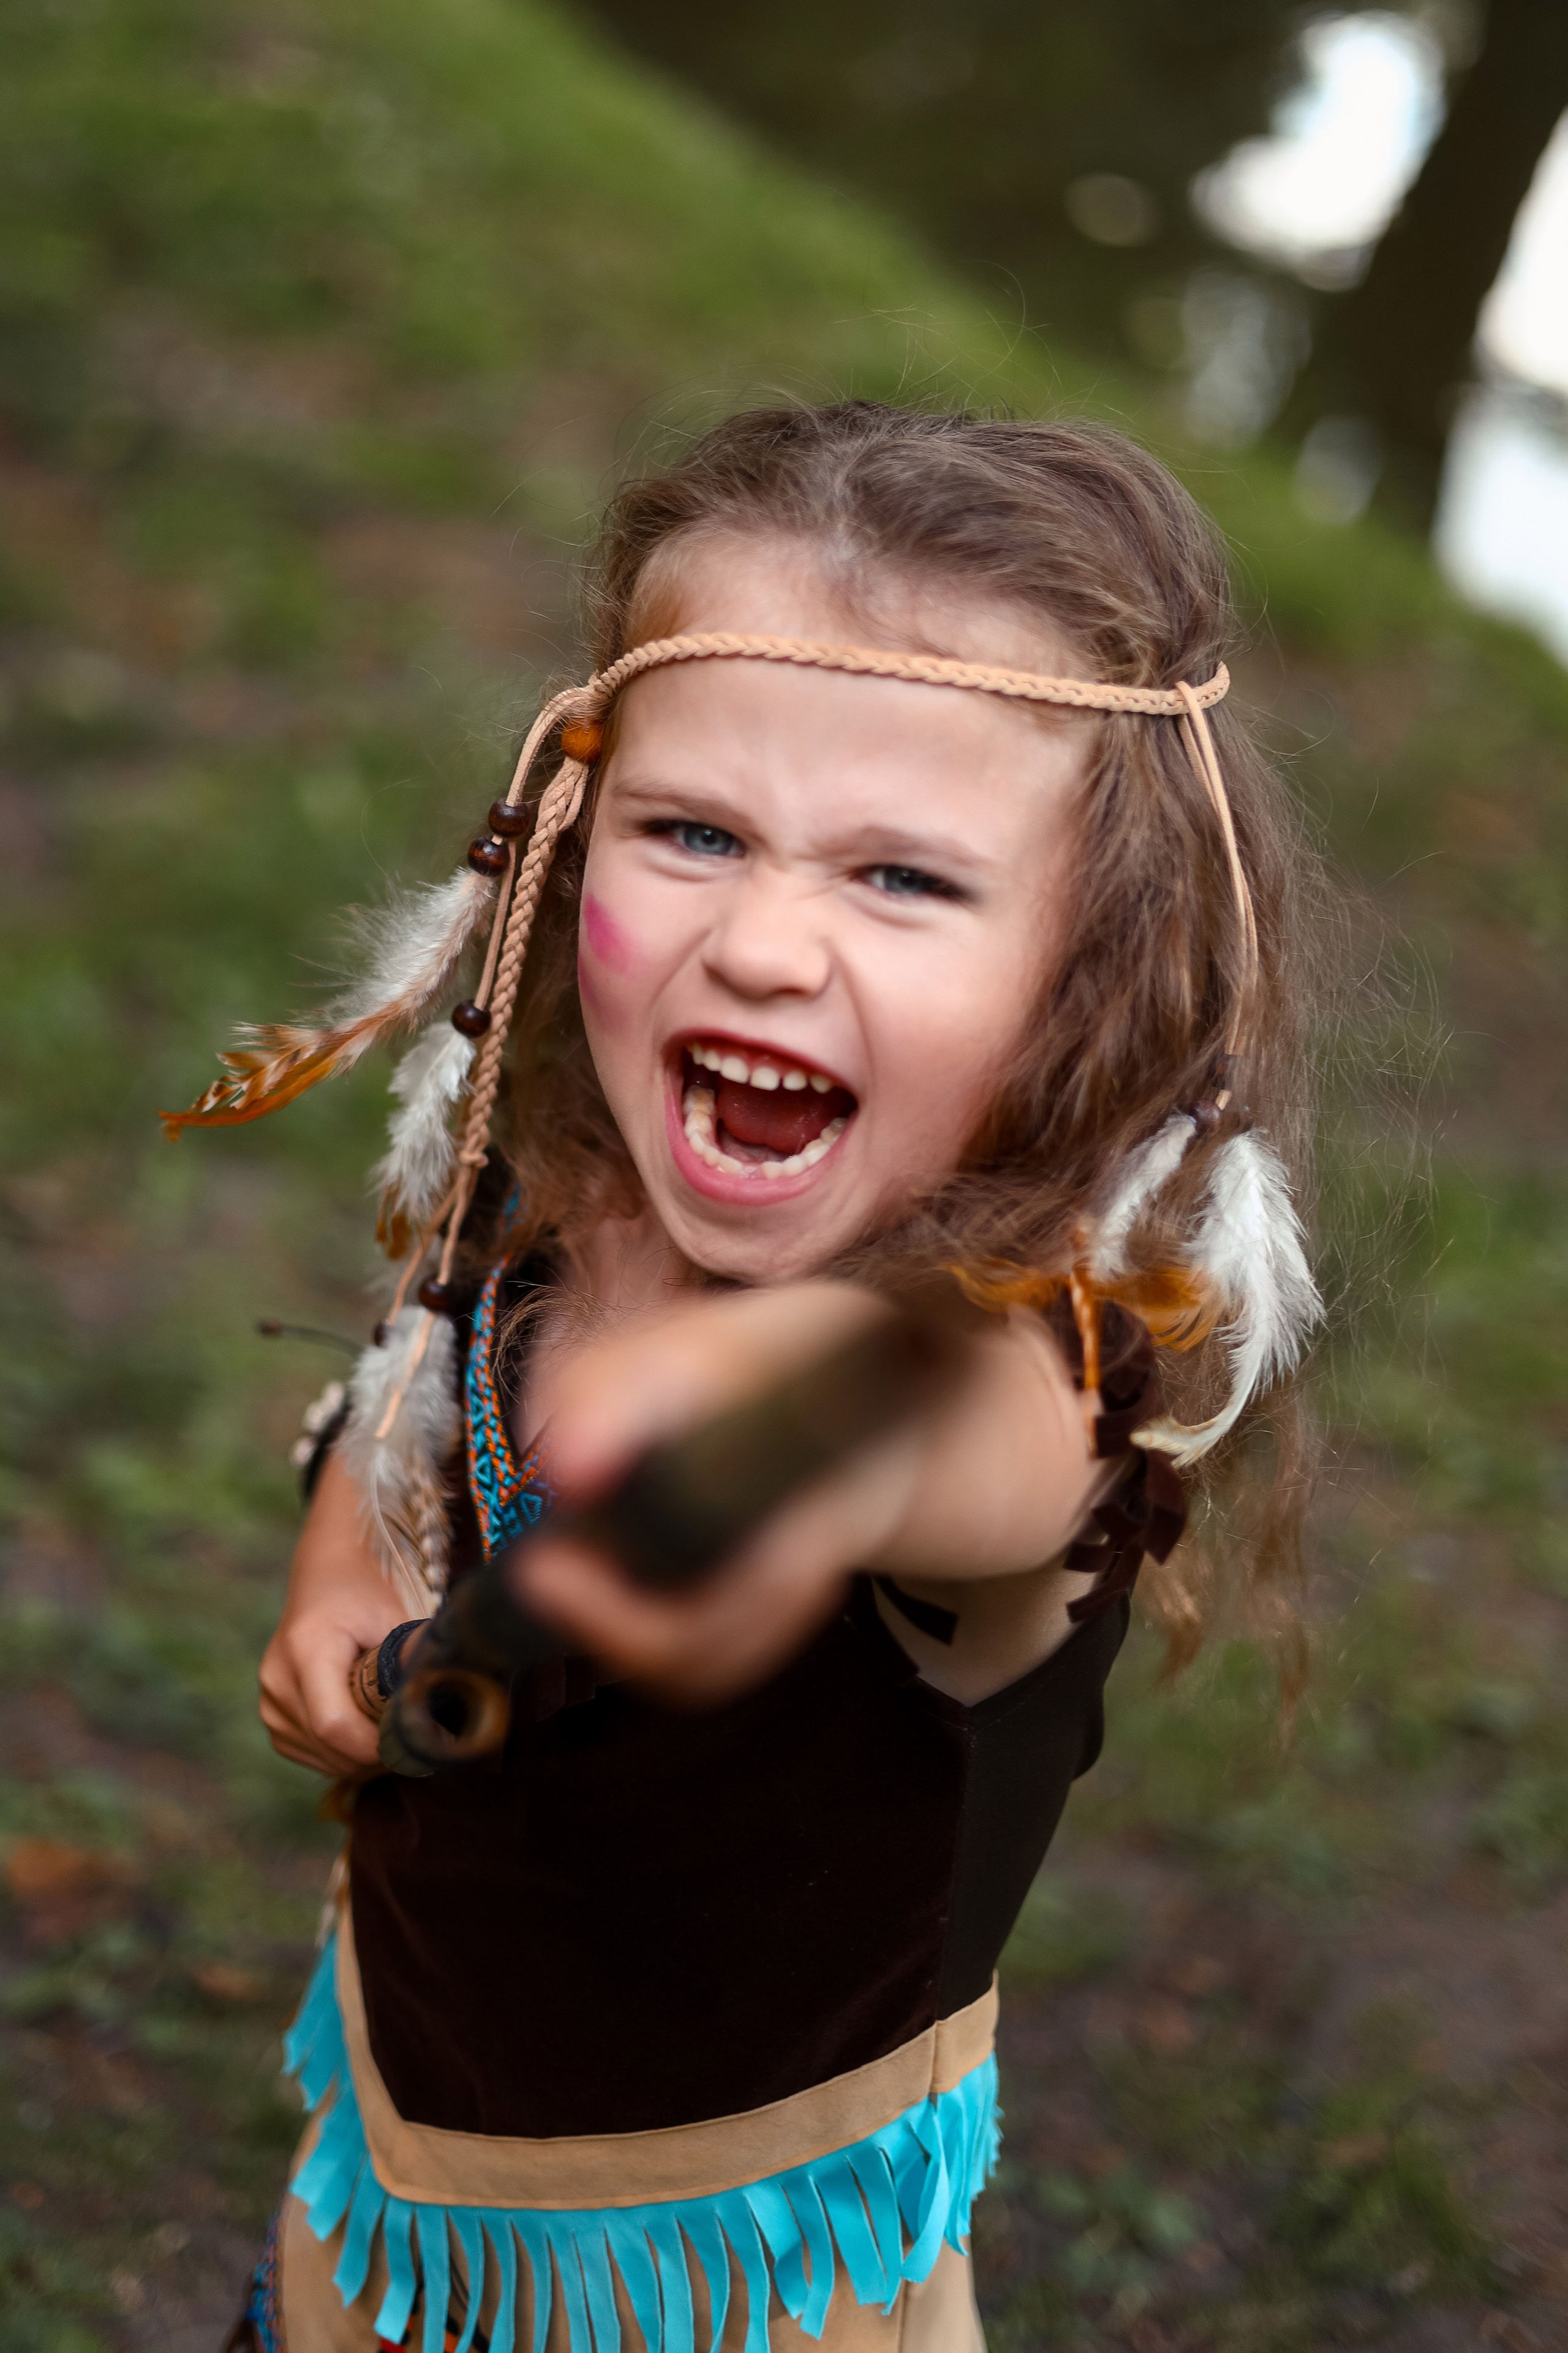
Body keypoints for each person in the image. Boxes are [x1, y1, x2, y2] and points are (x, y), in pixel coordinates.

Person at [181, 402, 1324, 2352]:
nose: (766, 943)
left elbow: (892, 1426)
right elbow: (414, 1363)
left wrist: (754, 1437)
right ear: (566, 831)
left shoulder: (1030, 1372)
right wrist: (344, 1581)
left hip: (736, 2301)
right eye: (695, 832)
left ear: (1098, 971)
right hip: (390, 2213)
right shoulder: (570, 1184)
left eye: (904, 880)